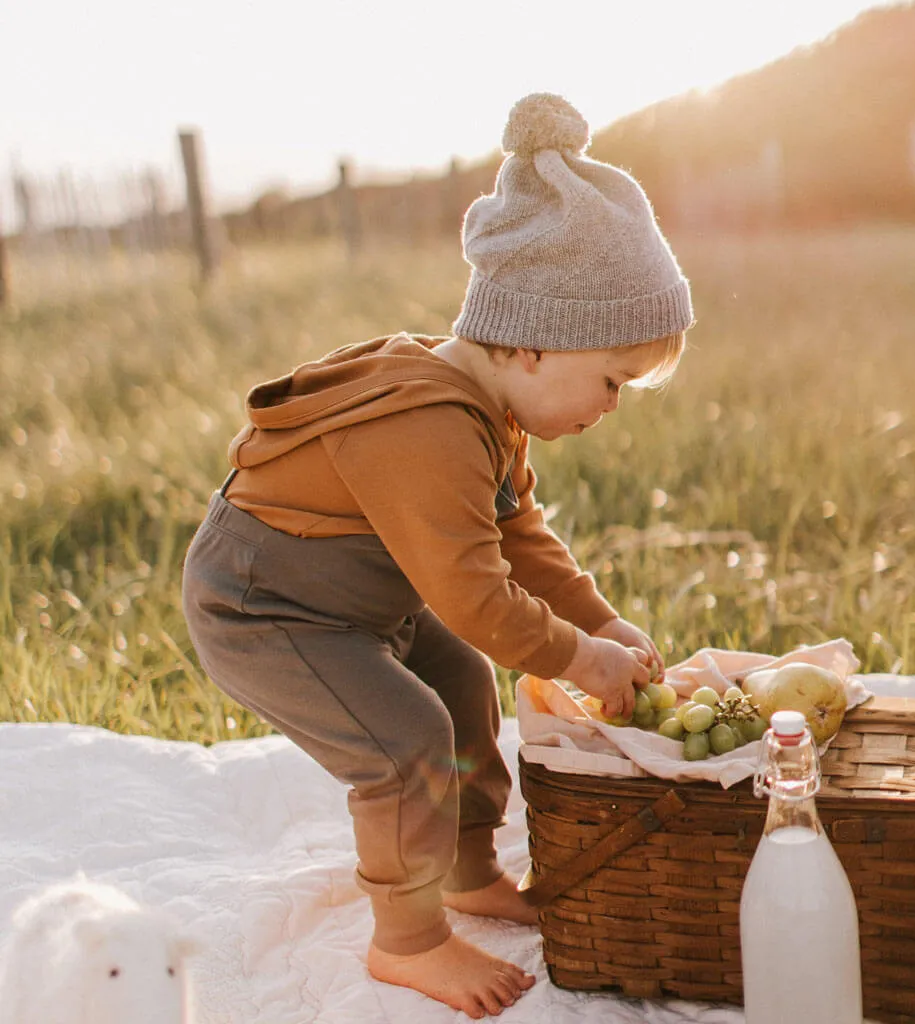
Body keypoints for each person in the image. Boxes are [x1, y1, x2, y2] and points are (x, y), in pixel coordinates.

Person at [181, 92, 694, 1019]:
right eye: (612, 379)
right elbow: (473, 594)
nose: (613, 403)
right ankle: (407, 941)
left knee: (461, 686)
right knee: (404, 742)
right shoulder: (426, 422)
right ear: (540, 343)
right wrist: (582, 661)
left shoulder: (487, 412)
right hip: (265, 610)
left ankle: (464, 870)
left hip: (358, 602)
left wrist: (600, 621)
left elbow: (518, 538)